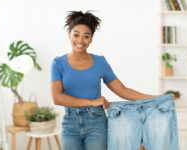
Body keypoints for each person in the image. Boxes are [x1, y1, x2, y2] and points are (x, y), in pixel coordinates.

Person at [50, 10, 173, 150]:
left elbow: (122, 90)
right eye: (76, 35)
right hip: (70, 122)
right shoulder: (58, 63)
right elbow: (57, 98)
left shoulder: (99, 62)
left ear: (91, 39)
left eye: (86, 36)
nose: (80, 41)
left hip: (96, 123)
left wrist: (155, 98)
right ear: (69, 35)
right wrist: (91, 102)